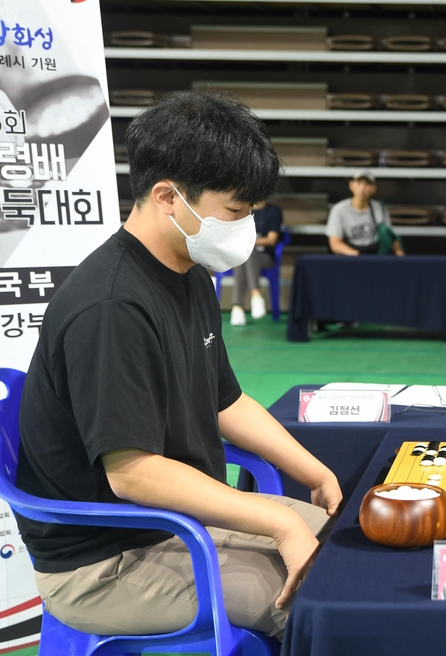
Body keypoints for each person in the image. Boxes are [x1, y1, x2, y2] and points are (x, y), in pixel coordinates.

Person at [14, 91, 343, 640]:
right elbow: (133, 473)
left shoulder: (187, 269)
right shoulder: (112, 308)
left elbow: (225, 401)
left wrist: (315, 471)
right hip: (108, 561)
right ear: (168, 196)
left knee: (351, 550)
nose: (249, 227)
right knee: (322, 605)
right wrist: (280, 520)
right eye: (236, 211)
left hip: (177, 527)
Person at [325, 171, 405, 256]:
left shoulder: (379, 208)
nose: (362, 188)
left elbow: (389, 236)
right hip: (350, 257)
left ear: (373, 188)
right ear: (351, 185)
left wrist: (399, 252)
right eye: (359, 183)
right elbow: (335, 244)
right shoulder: (339, 210)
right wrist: (358, 257)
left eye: (367, 184)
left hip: (376, 255)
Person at [230, 200, 283, 326]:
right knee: (243, 255)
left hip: (264, 256)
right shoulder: (240, 209)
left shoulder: (273, 212)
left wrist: (248, 242)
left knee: (247, 250)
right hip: (242, 255)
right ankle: (255, 295)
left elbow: (271, 240)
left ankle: (237, 307)